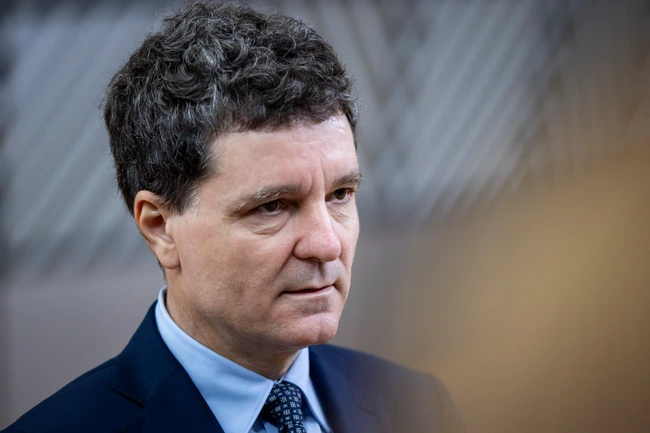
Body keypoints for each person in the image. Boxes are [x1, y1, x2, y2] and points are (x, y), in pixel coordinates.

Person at [3, 2, 464, 432]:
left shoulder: (420, 406)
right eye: (272, 206)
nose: (327, 245)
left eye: (340, 194)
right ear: (160, 227)